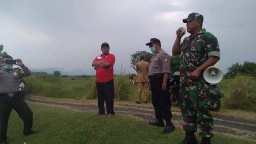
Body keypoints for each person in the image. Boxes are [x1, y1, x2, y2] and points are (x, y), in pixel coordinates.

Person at [172, 12, 220, 144]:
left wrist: (198, 70)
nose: (186, 24)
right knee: (186, 108)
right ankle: (190, 136)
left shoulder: (207, 37)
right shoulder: (187, 40)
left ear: (198, 22)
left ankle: (206, 138)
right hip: (185, 82)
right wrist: (178, 37)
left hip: (200, 82)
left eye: (189, 21)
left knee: (202, 109)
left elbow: (214, 57)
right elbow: (175, 52)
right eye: (186, 22)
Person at [0, 54, 36, 144]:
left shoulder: (17, 70)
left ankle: (27, 130)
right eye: (5, 61)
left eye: (10, 61)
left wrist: (22, 65)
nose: (8, 63)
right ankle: (2, 139)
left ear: (13, 62)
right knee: (2, 120)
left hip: (17, 98)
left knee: (28, 114)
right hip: (3, 99)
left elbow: (28, 74)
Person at [146, 38, 175, 134]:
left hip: (160, 80)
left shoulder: (163, 54)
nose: (150, 47)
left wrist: (164, 83)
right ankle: (159, 120)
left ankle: (169, 124)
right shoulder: (154, 56)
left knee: (164, 102)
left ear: (157, 44)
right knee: (155, 101)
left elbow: (166, 70)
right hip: (154, 81)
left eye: (151, 45)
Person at [92, 42, 115, 118]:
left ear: (109, 48)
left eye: (106, 47)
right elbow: (93, 63)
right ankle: (101, 111)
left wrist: (97, 65)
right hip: (98, 81)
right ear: (101, 49)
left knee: (109, 97)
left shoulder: (111, 56)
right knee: (100, 98)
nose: (105, 49)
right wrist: (103, 61)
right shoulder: (98, 56)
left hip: (108, 80)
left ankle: (110, 112)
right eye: (103, 48)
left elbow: (107, 64)